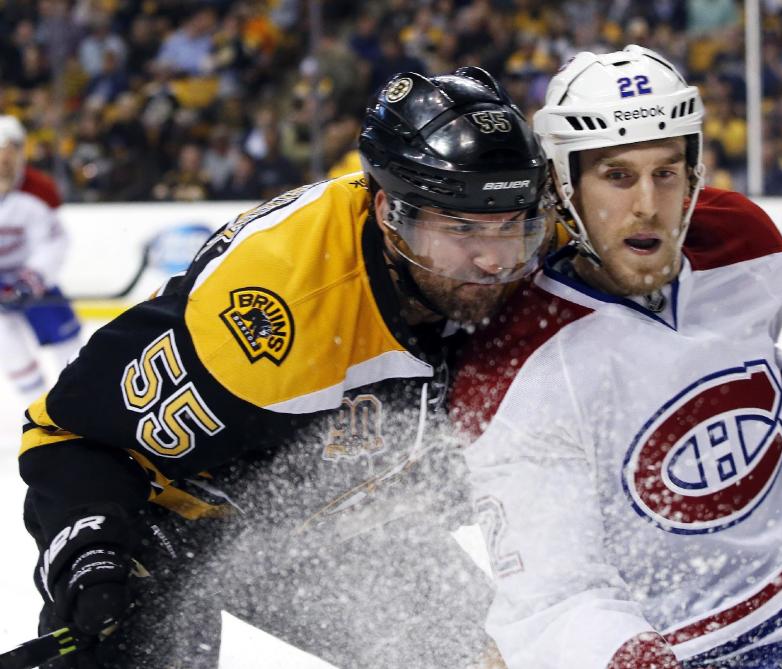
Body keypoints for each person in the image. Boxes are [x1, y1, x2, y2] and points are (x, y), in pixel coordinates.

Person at [19, 67, 551, 668]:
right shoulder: (273, 321)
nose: (492, 258)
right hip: (168, 520)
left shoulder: (527, 240)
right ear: (388, 213)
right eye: (460, 228)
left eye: (512, 226)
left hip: (337, 515)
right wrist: (92, 553)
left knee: (494, 655)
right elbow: (71, 434)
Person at [450, 45, 782, 669]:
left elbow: (736, 381)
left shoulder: (743, 245)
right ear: (562, 182)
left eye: (667, 172)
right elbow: (554, 599)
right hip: (690, 650)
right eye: (617, 175)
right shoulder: (515, 365)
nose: (647, 204)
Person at [0, 115, 81, 403]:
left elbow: (53, 241)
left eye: (11, 152)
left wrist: (33, 278)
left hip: (34, 282)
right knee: (7, 343)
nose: (5, 162)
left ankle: (76, 400)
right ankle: (34, 406)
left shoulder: (37, 193)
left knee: (67, 344)